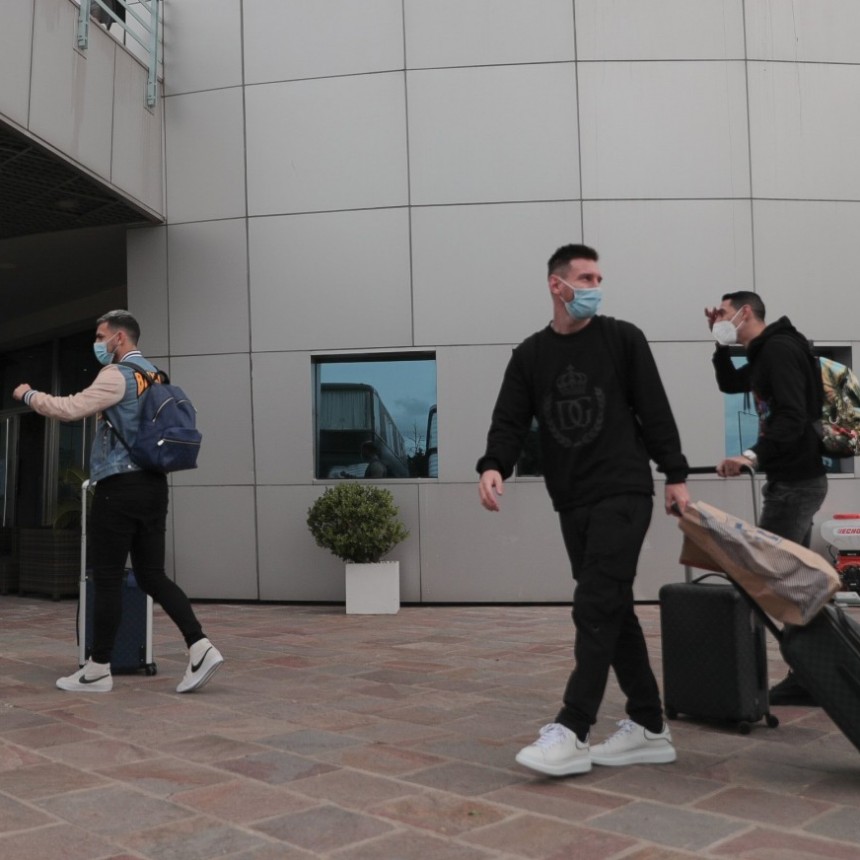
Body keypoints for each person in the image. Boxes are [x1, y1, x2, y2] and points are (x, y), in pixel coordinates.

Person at [477, 243, 690, 777]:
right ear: (558, 285)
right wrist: (494, 464)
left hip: (624, 490)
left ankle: (573, 729)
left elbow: (655, 409)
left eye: (599, 278)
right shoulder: (530, 355)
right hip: (571, 499)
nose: (596, 287)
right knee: (611, 606)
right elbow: (509, 419)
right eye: (587, 278)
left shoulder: (623, 339)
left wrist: (675, 474)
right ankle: (649, 726)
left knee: (594, 604)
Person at [13, 310, 223, 694]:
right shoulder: (156, 375)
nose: (97, 343)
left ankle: (98, 669)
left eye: (100, 336)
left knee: (107, 577)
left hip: (120, 487)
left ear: (119, 339)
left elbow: (70, 409)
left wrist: (28, 395)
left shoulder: (117, 375)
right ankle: (200, 646)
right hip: (154, 486)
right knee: (152, 575)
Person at [706, 291, 827, 706]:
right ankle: (809, 674)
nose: (719, 319)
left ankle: (753, 678)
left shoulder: (778, 350)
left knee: (758, 578)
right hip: (793, 482)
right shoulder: (765, 352)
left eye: (724, 314)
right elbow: (730, 383)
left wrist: (751, 456)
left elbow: (793, 415)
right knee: (791, 581)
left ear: (745, 312)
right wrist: (719, 345)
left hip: (796, 484)